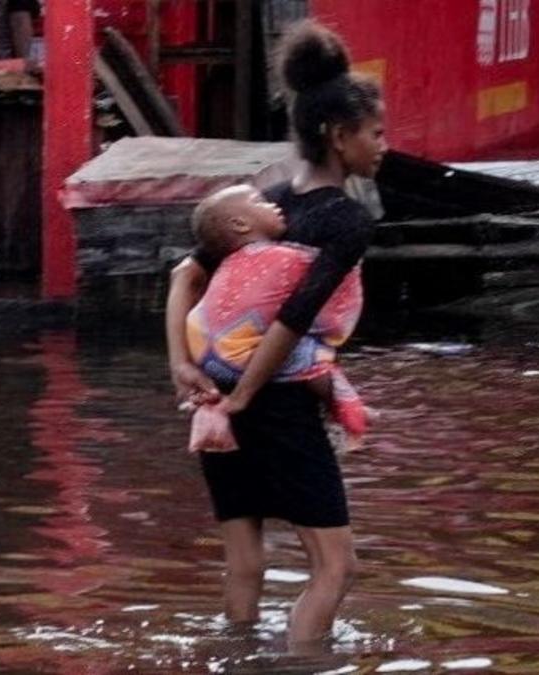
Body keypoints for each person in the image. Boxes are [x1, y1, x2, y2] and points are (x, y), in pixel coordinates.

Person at [165, 20, 387, 648]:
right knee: (336, 567)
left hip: (216, 404)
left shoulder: (267, 202)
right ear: (338, 137)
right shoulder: (345, 220)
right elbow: (292, 321)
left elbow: (185, 276)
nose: (384, 145)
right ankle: (300, 664)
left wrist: (181, 365)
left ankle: (236, 658)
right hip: (277, 406)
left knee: (246, 563)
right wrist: (245, 398)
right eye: (375, 133)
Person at [184, 185, 368, 452]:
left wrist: (181, 363)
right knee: (314, 355)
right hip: (234, 360)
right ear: (240, 223)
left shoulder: (227, 262)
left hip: (204, 355)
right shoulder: (282, 257)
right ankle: (347, 407)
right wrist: (350, 259)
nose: (275, 206)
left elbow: (184, 277)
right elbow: (330, 278)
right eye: (261, 203)